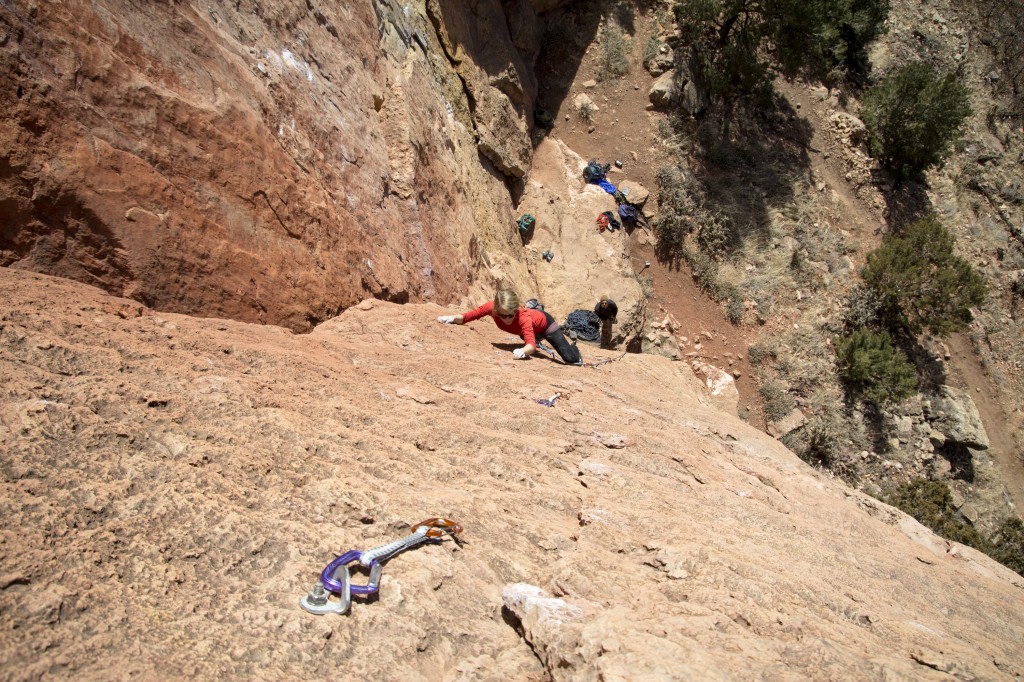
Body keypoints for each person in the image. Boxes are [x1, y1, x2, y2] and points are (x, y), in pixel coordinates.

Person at [438, 289, 582, 366]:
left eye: (511, 315)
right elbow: (466, 317)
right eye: (502, 315)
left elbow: (531, 346)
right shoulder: (491, 308)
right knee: (526, 334)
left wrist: (523, 351)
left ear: (516, 310)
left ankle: (574, 347)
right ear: (496, 310)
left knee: (571, 359)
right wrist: (452, 318)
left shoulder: (523, 318)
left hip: (545, 324)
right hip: (528, 329)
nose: (507, 319)